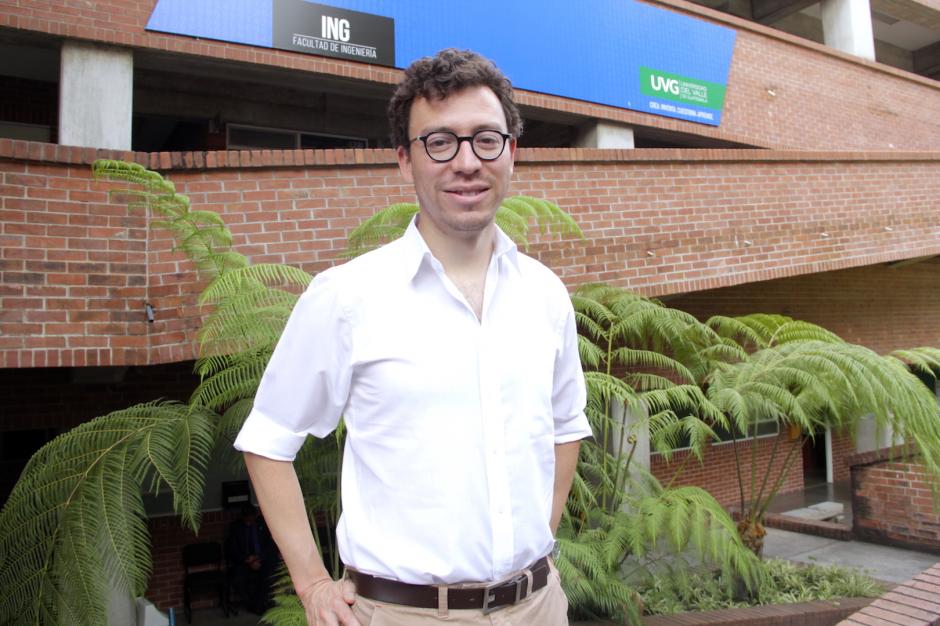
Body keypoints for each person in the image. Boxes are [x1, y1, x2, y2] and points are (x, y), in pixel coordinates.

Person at [234, 48, 592, 626]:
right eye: (440, 142)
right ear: (405, 161)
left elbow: (567, 426)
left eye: (485, 139)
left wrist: (536, 542)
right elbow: (268, 441)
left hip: (538, 608)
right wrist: (312, 585)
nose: (467, 162)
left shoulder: (545, 294)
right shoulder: (346, 297)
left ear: (512, 152)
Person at [225, 503, 278, 614]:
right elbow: (232, 549)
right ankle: (253, 605)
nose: (248, 523)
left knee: (269, 576)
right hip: (244, 561)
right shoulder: (235, 527)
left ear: (255, 516)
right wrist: (247, 559)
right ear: (242, 517)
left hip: (262, 559)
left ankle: (258, 604)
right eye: (246, 520)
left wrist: (259, 558)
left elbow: (271, 546)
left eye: (251, 520)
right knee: (237, 580)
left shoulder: (264, 524)